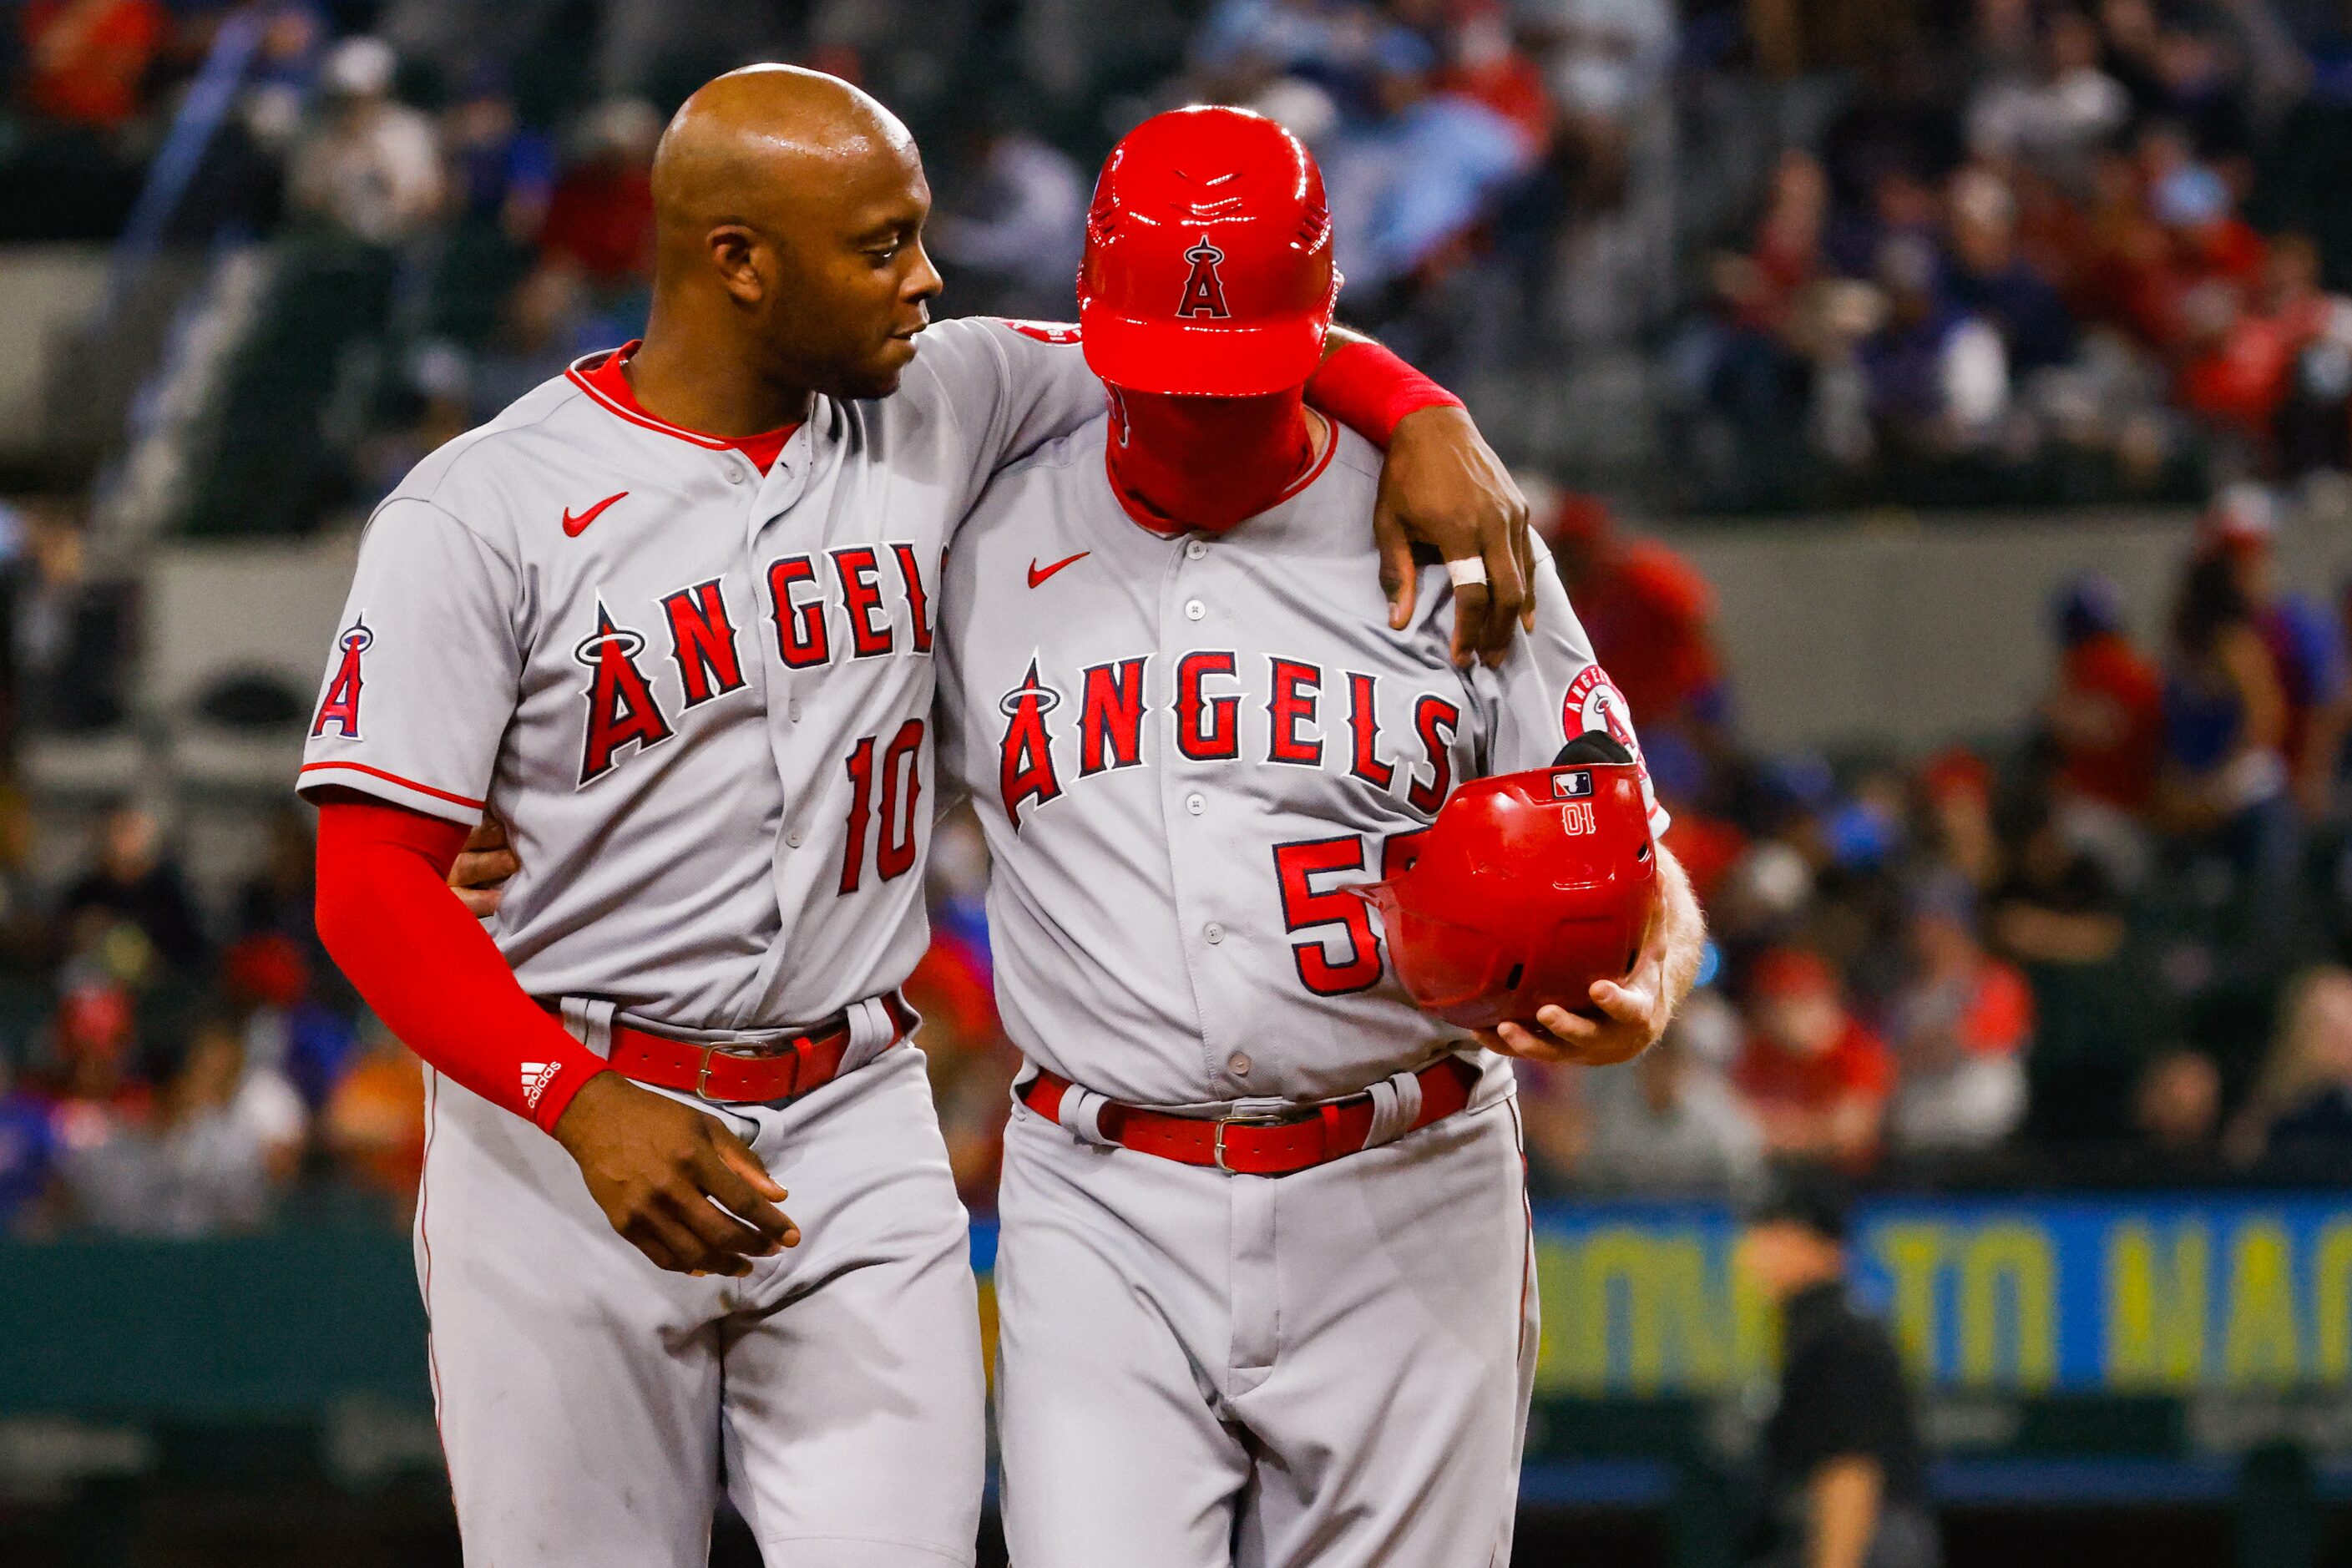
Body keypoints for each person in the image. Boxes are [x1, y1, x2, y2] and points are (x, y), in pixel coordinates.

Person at [306, 63, 1535, 1568]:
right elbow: (368, 887)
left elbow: (1205, 333)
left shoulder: (948, 394)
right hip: (563, 1121)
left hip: (851, 1117)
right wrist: (574, 1099)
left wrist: (1419, 411)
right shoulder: (477, 510)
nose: (928, 278)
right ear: (737, 263)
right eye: (883, 243)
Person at [929, 105, 1706, 1565]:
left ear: (1320, 326)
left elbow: (1627, 835)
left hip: (1407, 1181)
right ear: (1088, 337)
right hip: (1100, 1202)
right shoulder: (982, 537)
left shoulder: (1457, 527)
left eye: (1240, 371)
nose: (1201, 403)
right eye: (1167, 370)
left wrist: (1651, 977)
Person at [1737, 1164, 1939, 1568]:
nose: (1751, 1250)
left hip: (1861, 1542)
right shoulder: (1819, 1324)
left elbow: (1850, 1469)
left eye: (1771, 1232)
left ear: (1811, 1240)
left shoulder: (1837, 1334)